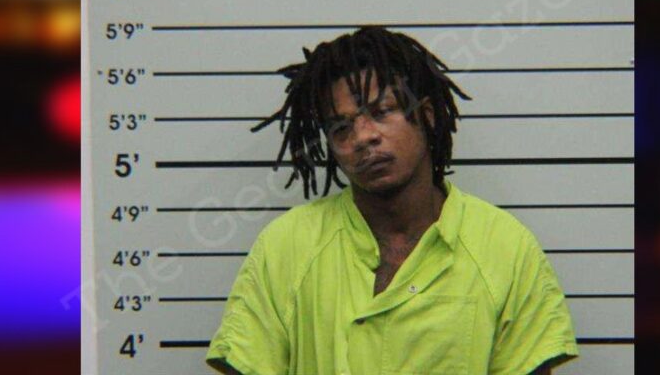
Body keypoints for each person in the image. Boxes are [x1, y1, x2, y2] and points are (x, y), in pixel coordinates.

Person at [206, 26, 578, 375]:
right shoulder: (286, 247)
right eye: (341, 127)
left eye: (381, 112)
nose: (363, 137)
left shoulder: (505, 249)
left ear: (427, 116)